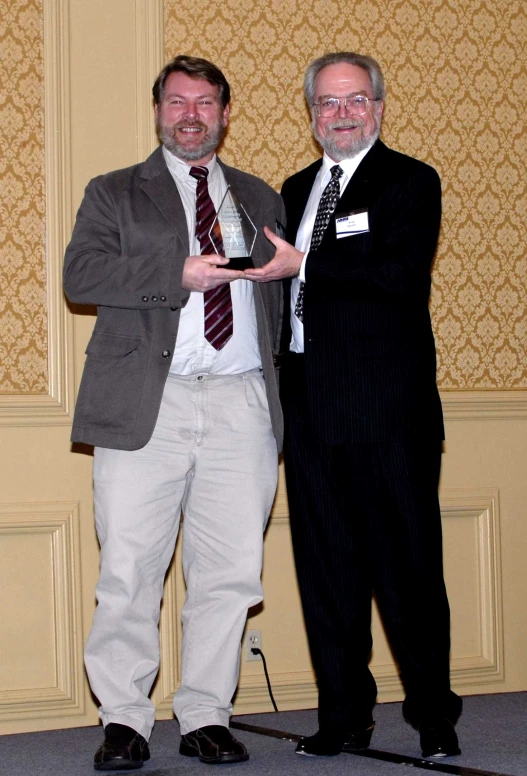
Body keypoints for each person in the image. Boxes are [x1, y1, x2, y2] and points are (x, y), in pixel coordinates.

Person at [63, 55, 285, 770]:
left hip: (240, 400)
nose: (190, 114)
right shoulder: (113, 192)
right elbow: (82, 276)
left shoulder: (258, 196)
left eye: (206, 103)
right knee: (129, 569)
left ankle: (204, 714)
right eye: (177, 102)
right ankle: (124, 718)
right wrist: (176, 274)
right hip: (143, 405)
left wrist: (297, 269)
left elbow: (284, 297)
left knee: (227, 573)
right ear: (157, 110)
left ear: (224, 112)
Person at [245, 51, 462, 759]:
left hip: (386, 412)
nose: (340, 114)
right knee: (326, 573)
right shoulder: (296, 186)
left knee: (406, 573)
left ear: (378, 106)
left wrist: (305, 262)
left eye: (354, 100)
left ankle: (433, 717)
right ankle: (343, 716)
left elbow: (398, 275)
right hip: (307, 406)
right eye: (327, 103)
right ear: (311, 116)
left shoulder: (409, 180)